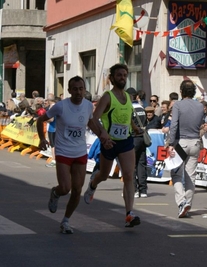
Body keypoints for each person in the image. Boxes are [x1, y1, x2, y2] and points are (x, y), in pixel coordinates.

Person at [36, 76, 107, 234]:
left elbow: (90, 122)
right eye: (75, 89)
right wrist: (42, 138)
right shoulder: (60, 107)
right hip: (63, 151)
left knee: (77, 190)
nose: (78, 92)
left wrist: (102, 136)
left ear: (84, 90)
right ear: (69, 91)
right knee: (65, 187)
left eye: (81, 89)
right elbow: (40, 120)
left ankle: (66, 221)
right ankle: (55, 192)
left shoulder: (88, 106)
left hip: (80, 151)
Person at [83, 63, 142, 228]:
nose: (122, 78)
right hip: (110, 142)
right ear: (112, 78)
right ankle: (93, 184)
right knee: (104, 174)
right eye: (119, 75)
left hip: (126, 141)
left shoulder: (128, 97)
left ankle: (129, 214)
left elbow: (127, 116)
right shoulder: (108, 96)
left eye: (124, 75)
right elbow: (94, 118)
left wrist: (135, 127)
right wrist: (103, 134)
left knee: (129, 176)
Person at [168, 80, 204, 218]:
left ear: (181, 91)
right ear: (194, 91)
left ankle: (182, 202)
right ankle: (187, 203)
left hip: (181, 142)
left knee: (176, 174)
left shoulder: (178, 105)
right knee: (191, 176)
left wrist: (171, 142)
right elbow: (200, 123)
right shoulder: (200, 106)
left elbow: (174, 125)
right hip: (195, 141)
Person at [126, 87, 148, 198]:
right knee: (141, 164)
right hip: (142, 138)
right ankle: (143, 190)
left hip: (133, 138)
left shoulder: (129, 108)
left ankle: (133, 190)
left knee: (131, 165)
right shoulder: (142, 108)